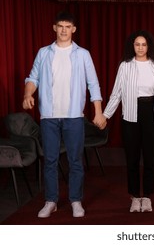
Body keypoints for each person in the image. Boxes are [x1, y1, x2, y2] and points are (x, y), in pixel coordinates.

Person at [23, 11, 105, 218]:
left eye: (67, 27)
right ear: (54, 28)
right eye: (60, 26)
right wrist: (27, 94)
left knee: (75, 160)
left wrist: (98, 112)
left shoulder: (83, 54)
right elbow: (33, 77)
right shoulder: (44, 53)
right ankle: (51, 201)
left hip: (74, 116)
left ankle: (76, 201)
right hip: (49, 116)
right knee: (50, 159)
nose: (63, 30)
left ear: (73, 29)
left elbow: (92, 83)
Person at [101, 30, 154, 213]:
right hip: (131, 116)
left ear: (148, 46)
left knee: (150, 159)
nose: (141, 48)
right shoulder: (125, 66)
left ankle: (147, 197)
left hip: (153, 115)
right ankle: (135, 197)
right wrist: (105, 115)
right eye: (137, 44)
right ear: (132, 46)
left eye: (144, 44)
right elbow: (116, 93)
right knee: (132, 158)